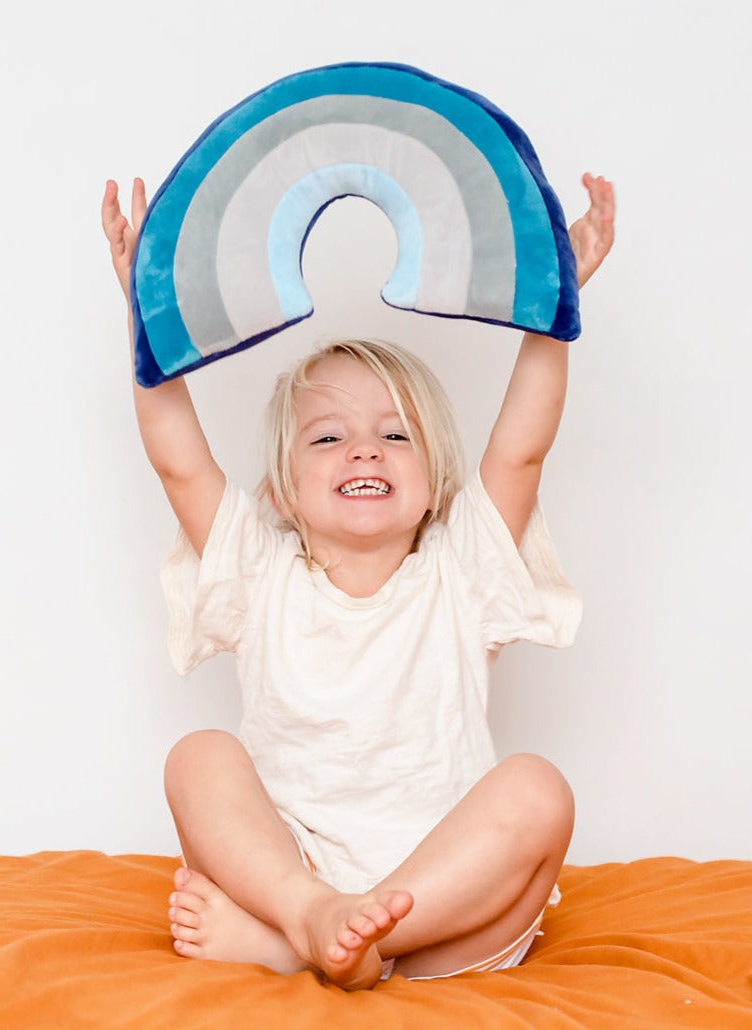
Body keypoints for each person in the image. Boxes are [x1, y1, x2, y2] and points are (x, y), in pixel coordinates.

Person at [101, 172, 615, 990]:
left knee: (539, 790)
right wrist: (146, 317)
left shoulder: (461, 569)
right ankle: (311, 921)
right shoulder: (259, 570)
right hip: (291, 879)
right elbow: (177, 461)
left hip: (445, 912)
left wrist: (559, 310)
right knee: (197, 758)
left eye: (395, 435)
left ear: (438, 482)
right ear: (279, 493)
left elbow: (521, 446)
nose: (364, 451)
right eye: (328, 437)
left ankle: (323, 946)